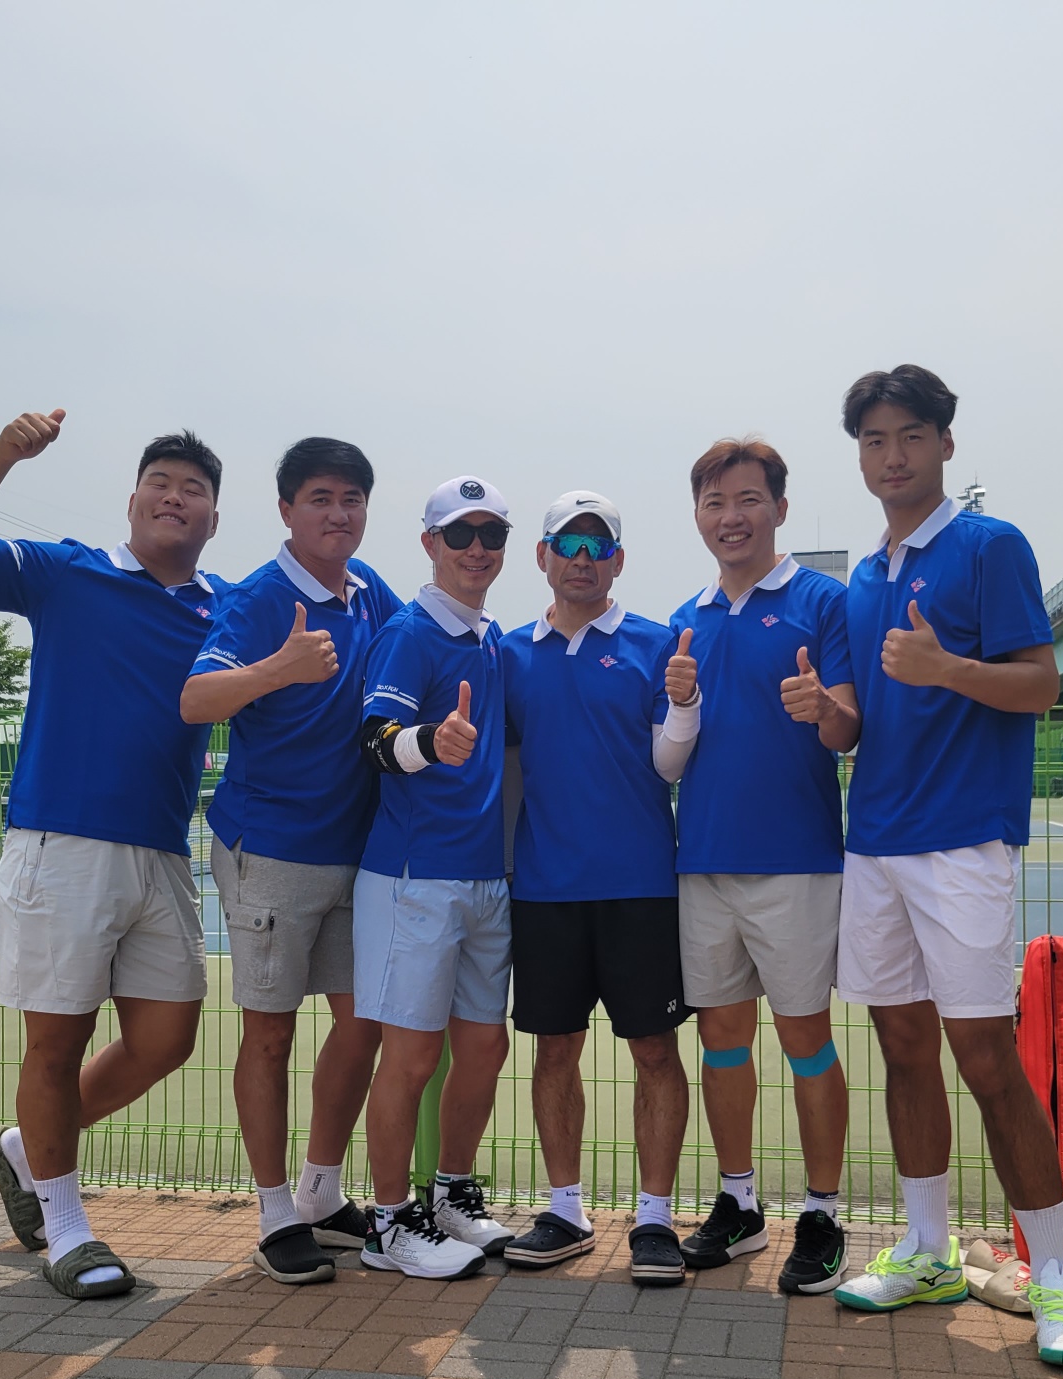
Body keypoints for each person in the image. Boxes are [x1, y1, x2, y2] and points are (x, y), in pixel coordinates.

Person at [0, 410, 225, 1301]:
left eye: (194, 489)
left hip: (163, 851)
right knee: (57, 1043)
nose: (174, 497)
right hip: (62, 842)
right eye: (160, 482)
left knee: (166, 1039)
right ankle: (66, 1227)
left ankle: (27, 1147)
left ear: (213, 518)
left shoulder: (226, 608)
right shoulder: (68, 572)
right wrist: (3, 453)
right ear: (132, 501)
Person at [832, 364, 1063, 1369]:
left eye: (910, 435)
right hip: (876, 844)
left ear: (944, 443)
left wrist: (947, 668)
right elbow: (864, 722)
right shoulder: (865, 578)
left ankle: (1055, 1276)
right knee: (903, 1048)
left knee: (986, 1058)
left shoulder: (991, 546)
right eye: (874, 440)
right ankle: (928, 1252)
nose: (892, 455)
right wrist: (828, 716)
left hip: (965, 844)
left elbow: (1041, 684)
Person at [181, 438, 402, 1285]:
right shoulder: (258, 597)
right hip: (270, 850)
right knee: (269, 1032)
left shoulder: (369, 589)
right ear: (286, 510)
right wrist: (279, 667)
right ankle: (274, 1212)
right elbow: (195, 699)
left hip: (356, 850)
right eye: (320, 498)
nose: (338, 514)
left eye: (352, 498)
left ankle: (320, 1190)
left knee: (364, 1021)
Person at [669, 438, 858, 1296]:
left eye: (748, 499)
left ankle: (822, 1211)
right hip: (703, 862)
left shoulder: (823, 601)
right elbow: (671, 749)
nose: (731, 517)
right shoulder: (688, 617)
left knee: (805, 1039)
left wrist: (824, 708)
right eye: (714, 502)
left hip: (797, 863)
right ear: (698, 516)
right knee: (721, 1039)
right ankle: (739, 1203)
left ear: (779, 509)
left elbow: (848, 727)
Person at [500, 492, 695, 1286]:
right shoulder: (508, 653)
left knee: (654, 1051)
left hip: (640, 886)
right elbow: (501, 769)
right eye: (567, 545)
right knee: (555, 1048)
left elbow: (670, 764)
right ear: (542, 557)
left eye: (597, 546)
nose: (582, 559)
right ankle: (566, 1210)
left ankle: (655, 1218)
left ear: (618, 561)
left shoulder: (656, 645)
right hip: (544, 888)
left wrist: (684, 703)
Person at [353, 477, 517, 1280]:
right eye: (460, 534)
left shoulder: (492, 638)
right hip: (414, 880)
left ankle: (450, 1195)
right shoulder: (409, 633)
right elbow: (374, 739)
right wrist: (430, 742)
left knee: (484, 1048)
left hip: (485, 877)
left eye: (492, 535)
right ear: (430, 544)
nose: (477, 550)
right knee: (412, 1059)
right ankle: (388, 1225)